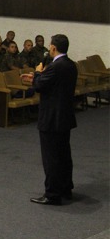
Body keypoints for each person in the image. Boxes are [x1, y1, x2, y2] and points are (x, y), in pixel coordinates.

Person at [23, 34, 78, 206]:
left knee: (51, 158)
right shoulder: (71, 65)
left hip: (51, 118)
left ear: (54, 48)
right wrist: (37, 77)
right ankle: (65, 188)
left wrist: (38, 73)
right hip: (65, 117)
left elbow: (40, 86)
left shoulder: (55, 66)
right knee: (63, 155)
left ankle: (52, 194)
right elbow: (53, 84)